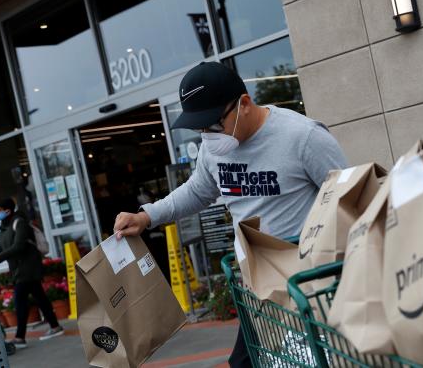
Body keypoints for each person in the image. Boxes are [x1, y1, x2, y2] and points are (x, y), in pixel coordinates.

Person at [114, 62, 347, 367]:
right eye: (199, 128)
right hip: (255, 287)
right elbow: (198, 190)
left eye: (213, 125)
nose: (207, 136)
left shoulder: (302, 137)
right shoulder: (214, 149)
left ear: (245, 104)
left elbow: (346, 196)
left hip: (304, 284)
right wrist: (147, 217)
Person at [0, 198, 64, 347]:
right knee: (39, 297)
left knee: (20, 300)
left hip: (28, 267)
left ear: (8, 210)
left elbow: (19, 246)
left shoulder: (19, 222)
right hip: (17, 268)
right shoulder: (2, 227)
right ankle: (55, 326)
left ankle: (20, 337)